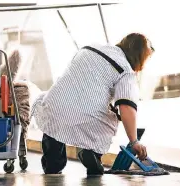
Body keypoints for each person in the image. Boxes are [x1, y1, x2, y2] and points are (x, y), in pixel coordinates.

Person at [30, 33, 155, 175]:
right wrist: (134, 142)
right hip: (86, 115)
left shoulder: (91, 47)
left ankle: (53, 163)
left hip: (54, 103)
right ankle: (91, 151)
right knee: (109, 120)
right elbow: (126, 107)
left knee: (54, 121)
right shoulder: (125, 70)